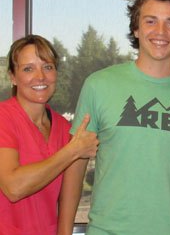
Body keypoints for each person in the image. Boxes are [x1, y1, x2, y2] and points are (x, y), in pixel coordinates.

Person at [69, 0, 170, 235]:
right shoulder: (98, 85)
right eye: (150, 21)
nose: (161, 31)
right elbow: (76, 165)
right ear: (136, 28)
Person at [0, 35, 99, 235]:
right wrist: (73, 150)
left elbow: (69, 196)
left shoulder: (63, 128)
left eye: (47, 67)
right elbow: (14, 187)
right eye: (28, 68)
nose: (40, 77)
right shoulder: (4, 118)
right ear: (13, 76)